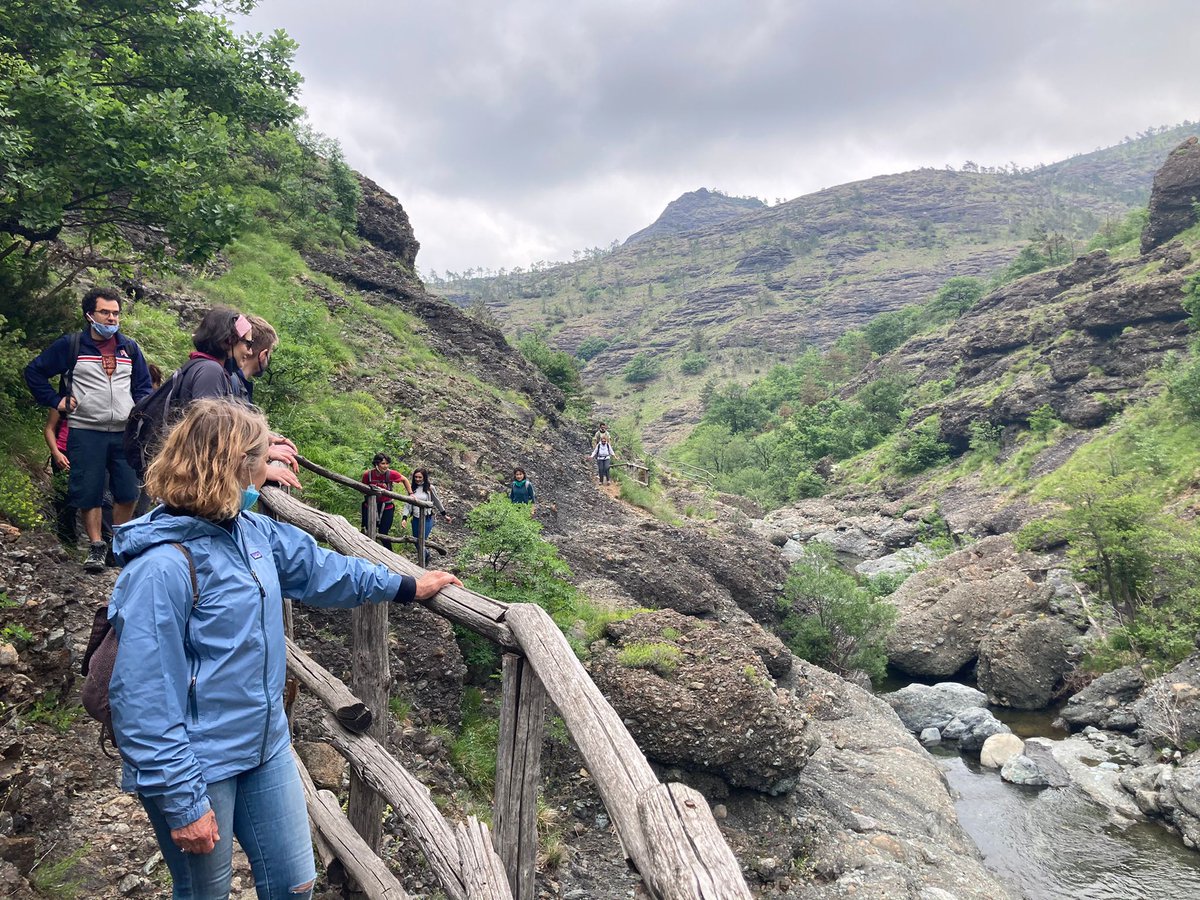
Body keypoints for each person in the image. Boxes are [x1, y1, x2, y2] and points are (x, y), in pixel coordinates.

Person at [107, 399, 461, 899]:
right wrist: (183, 801)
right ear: (229, 466)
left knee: (295, 883)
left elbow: (322, 570)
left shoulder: (250, 532)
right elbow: (142, 696)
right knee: (204, 894)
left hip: (264, 741)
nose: (265, 470)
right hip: (197, 761)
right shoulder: (161, 567)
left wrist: (407, 585)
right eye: (259, 458)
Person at [24, 287, 152, 571]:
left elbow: (143, 385)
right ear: (89, 315)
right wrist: (56, 401)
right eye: (105, 312)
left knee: (129, 491)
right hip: (85, 430)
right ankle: (96, 546)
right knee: (88, 491)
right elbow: (34, 372)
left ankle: (117, 543)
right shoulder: (71, 346)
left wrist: (138, 410)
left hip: (123, 431)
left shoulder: (128, 348)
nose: (111, 318)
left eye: (115, 313)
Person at [401, 468, 451, 565]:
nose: (417, 479)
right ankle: (426, 554)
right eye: (416, 477)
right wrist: (404, 518)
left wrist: (445, 515)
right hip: (415, 518)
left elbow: (437, 502)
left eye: (420, 477)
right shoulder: (411, 488)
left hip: (427, 518)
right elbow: (407, 504)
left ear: (424, 477)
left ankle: (422, 562)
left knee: (422, 540)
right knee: (416, 541)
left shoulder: (430, 488)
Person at [43, 407, 76, 545]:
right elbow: (49, 428)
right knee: (64, 498)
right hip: (63, 453)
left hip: (87, 453)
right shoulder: (61, 402)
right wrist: (55, 452)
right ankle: (67, 541)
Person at [360, 453, 410, 535]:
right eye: (383, 463)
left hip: (387, 507)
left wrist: (410, 493)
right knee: (367, 530)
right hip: (370, 506)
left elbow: (404, 479)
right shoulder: (368, 475)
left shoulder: (391, 474)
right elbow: (362, 490)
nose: (385, 466)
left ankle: (385, 548)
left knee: (383, 532)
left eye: (387, 463)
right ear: (376, 464)